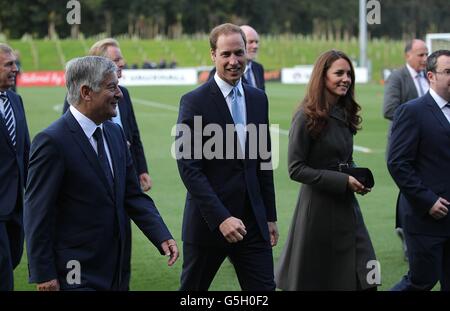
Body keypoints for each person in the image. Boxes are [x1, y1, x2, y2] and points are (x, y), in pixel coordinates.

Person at [24, 56, 178, 291]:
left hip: (114, 268)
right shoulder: (52, 141)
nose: (120, 94)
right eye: (111, 87)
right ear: (86, 92)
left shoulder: (115, 134)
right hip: (74, 271)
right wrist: (44, 273)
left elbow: (132, 195)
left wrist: (161, 234)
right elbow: (37, 212)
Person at [176, 23, 278, 291]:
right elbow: (189, 168)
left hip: (252, 224)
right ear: (213, 55)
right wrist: (221, 217)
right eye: (225, 54)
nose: (234, 61)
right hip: (208, 224)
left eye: (239, 53)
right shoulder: (194, 101)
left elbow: (263, 161)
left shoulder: (258, 99)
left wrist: (269, 216)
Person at [275, 50, 378, 291]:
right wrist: (343, 181)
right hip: (317, 211)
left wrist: (357, 176)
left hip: (347, 206)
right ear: (322, 77)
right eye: (339, 73)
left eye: (349, 74)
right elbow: (296, 169)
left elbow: (345, 159)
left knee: (366, 278)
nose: (346, 79)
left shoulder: (345, 112)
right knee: (319, 281)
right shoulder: (305, 116)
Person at [388, 50, 450, 291]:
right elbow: (397, 163)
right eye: (448, 71)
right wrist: (428, 201)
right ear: (431, 76)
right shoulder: (412, 111)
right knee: (421, 281)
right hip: (426, 217)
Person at [62, 38, 153, 192]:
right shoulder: (77, 97)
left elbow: (134, 134)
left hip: (125, 170)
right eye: (116, 60)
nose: (123, 63)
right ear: (101, 63)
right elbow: (69, 135)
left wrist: (141, 169)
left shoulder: (123, 94)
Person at [383, 39, 429, 260]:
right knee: (409, 189)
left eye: (426, 55)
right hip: (405, 145)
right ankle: (408, 237)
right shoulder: (397, 76)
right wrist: (423, 119)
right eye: (420, 55)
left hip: (430, 146)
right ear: (407, 55)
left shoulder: (431, 76)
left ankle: (416, 234)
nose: (424, 59)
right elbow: (389, 109)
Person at [0, 43, 30, 291]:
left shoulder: (15, 100)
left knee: (12, 259)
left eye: (15, 63)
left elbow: (25, 151)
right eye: (8, 64)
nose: (15, 69)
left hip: (16, 205)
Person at [208, 25, 265, 91]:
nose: (255, 46)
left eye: (256, 42)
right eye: (250, 42)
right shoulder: (218, 72)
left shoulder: (258, 68)